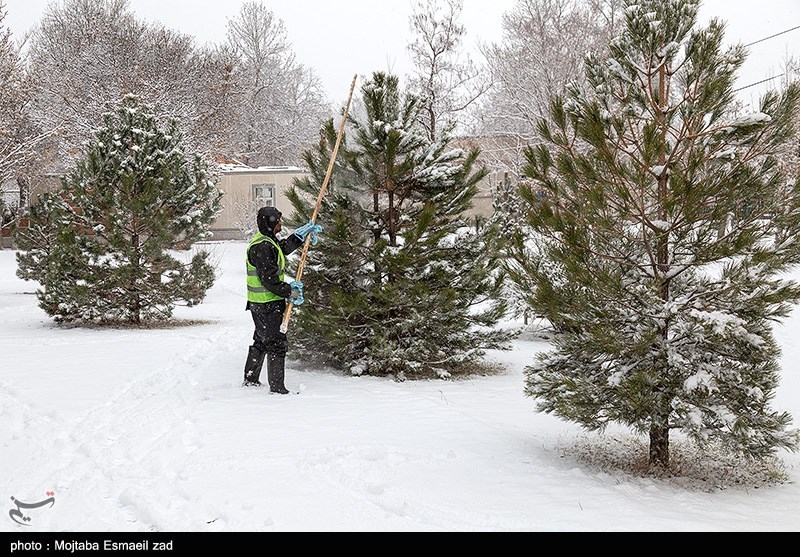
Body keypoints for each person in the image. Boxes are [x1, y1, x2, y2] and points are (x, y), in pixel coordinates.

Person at [243, 206, 322, 393]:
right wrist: (289, 291)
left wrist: (300, 236)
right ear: (270, 223)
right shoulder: (261, 246)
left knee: (262, 341)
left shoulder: (268, 241)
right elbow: (269, 279)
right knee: (276, 344)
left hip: (262, 303)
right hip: (266, 304)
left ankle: (251, 379)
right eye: (278, 220)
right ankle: (277, 388)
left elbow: (282, 248)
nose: (281, 223)